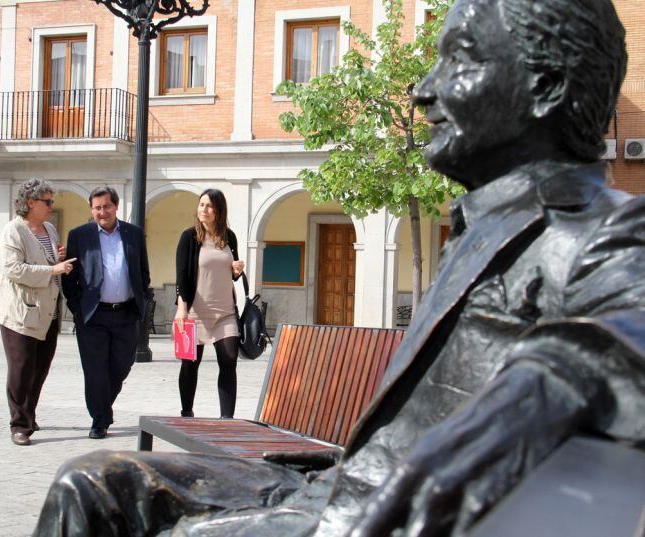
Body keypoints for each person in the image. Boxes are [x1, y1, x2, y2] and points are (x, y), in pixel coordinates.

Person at [33, 0, 645, 534]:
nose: (426, 90)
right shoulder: (483, 221)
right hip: (341, 478)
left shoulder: (599, 226)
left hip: (372, 506)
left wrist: (522, 405)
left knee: (97, 503)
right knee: (94, 482)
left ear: (546, 87)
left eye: (461, 59)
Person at [62, 186, 152, 440]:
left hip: (126, 313)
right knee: (95, 370)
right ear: (91, 210)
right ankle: (99, 419)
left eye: (107, 206)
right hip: (93, 315)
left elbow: (143, 272)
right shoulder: (79, 236)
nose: (102, 212)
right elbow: (70, 278)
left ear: (116, 206)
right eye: (97, 208)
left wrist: (141, 300)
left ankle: (103, 408)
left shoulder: (134, 234)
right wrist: (78, 308)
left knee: (122, 366)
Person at [0, 178, 75, 447]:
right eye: (47, 201)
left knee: (40, 367)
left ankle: (29, 414)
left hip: (48, 311)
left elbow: (49, 260)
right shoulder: (13, 231)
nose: (52, 205)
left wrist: (58, 258)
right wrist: (53, 270)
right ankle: (19, 425)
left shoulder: (50, 229)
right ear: (30, 202)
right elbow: (14, 270)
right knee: (21, 369)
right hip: (20, 314)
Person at [174, 189, 245, 419]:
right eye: (201, 204)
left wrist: (236, 271)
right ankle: (187, 412)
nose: (203, 209)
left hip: (225, 312)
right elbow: (182, 275)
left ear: (219, 210)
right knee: (190, 366)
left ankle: (227, 419)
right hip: (195, 312)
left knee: (229, 361)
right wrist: (182, 308)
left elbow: (230, 273)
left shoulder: (229, 237)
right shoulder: (189, 237)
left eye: (209, 206)